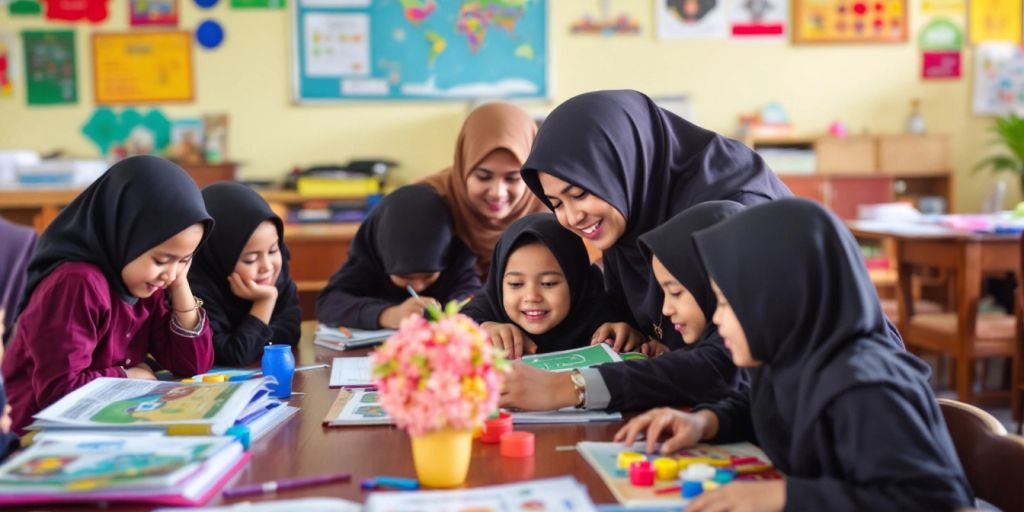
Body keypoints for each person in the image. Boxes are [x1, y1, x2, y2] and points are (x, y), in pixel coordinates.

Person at [616, 199, 972, 511]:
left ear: (781, 299)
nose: (718, 318)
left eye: (725, 303)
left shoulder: (865, 388)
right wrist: (705, 422)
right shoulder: (792, 360)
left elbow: (930, 501)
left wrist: (785, 497)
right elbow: (758, 406)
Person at [521, 89, 791, 351]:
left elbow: (727, 364)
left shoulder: (731, 211)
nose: (573, 217)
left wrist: (580, 386)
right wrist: (631, 329)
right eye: (555, 204)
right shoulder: (630, 208)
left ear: (623, 164)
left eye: (580, 193)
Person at [3, 156, 215, 434]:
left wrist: (180, 285)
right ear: (125, 234)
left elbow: (192, 364)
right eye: (162, 259)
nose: (171, 273)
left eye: (185, 260)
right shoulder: (76, 284)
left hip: (103, 419)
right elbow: (59, 392)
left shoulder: (146, 283)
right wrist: (129, 376)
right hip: (37, 433)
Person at [316, 185, 480, 330]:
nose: (418, 287)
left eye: (429, 275)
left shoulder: (456, 258)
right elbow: (329, 303)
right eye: (405, 277)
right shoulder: (370, 258)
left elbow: (472, 295)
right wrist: (389, 314)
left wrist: (452, 312)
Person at [421, 102, 546, 278]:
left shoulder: (552, 206)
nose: (498, 192)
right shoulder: (426, 202)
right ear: (464, 165)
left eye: (512, 178)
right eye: (483, 176)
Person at [189, 182, 301, 366]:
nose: (267, 266)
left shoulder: (279, 277)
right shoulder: (197, 290)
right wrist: (264, 302)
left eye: (273, 250)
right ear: (219, 257)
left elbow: (291, 333)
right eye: (250, 259)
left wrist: (251, 337)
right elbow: (235, 354)